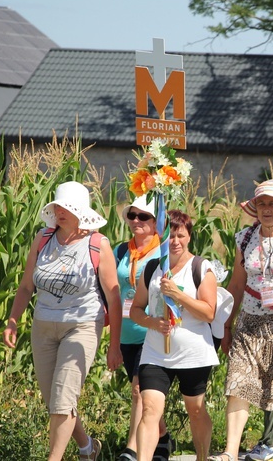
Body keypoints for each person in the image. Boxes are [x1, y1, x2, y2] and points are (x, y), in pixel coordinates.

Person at [3, 181, 122, 461]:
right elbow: (25, 286)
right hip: (43, 325)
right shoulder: (43, 238)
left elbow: (114, 298)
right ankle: (87, 447)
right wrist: (12, 320)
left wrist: (114, 344)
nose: (60, 211)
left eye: (67, 207)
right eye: (57, 206)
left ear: (81, 210)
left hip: (81, 326)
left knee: (63, 399)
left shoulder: (97, 245)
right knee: (54, 400)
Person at [215, 180, 273, 461]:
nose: (266, 209)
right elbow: (237, 285)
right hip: (249, 322)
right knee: (237, 383)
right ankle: (230, 451)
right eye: (261, 203)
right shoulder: (245, 238)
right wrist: (226, 325)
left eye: (272, 203)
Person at [130, 210, 220, 461]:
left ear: (189, 237)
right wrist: (152, 322)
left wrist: (178, 295)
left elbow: (209, 313)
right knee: (149, 410)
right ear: (161, 237)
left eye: (181, 235)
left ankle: (202, 456)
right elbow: (136, 310)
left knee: (195, 410)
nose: (175, 241)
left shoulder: (201, 268)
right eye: (170, 236)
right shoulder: (152, 269)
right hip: (156, 352)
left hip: (193, 353)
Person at [114, 195, 168, 461]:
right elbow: (112, 294)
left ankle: (132, 450)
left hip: (152, 331)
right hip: (127, 331)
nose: (136, 220)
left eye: (143, 216)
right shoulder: (121, 252)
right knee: (145, 398)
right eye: (132, 215)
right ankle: (163, 438)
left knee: (139, 389)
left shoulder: (165, 252)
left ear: (156, 222)